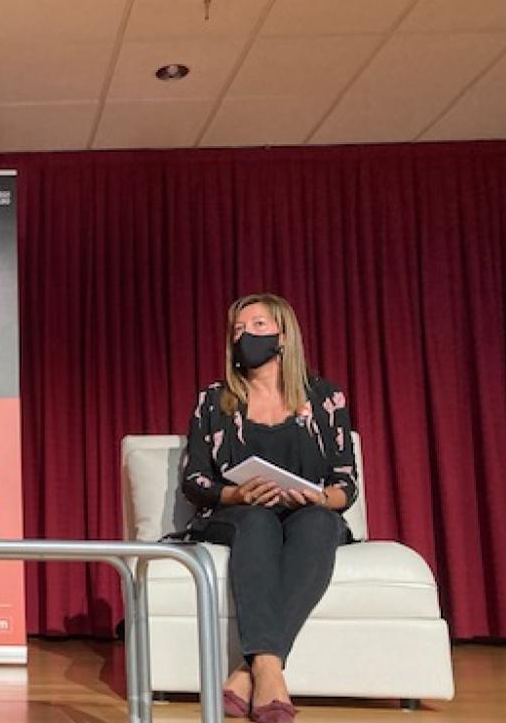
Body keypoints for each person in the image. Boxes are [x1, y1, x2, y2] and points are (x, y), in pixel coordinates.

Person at [179, 293, 358, 723]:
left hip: (304, 513)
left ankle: (250, 670)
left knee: (318, 523)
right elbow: (195, 480)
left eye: (257, 326)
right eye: (238, 330)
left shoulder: (325, 399)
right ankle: (272, 677)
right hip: (237, 513)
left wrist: (318, 497)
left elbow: (345, 484)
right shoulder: (214, 401)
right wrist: (236, 495)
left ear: (283, 334)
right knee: (258, 522)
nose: (245, 336)